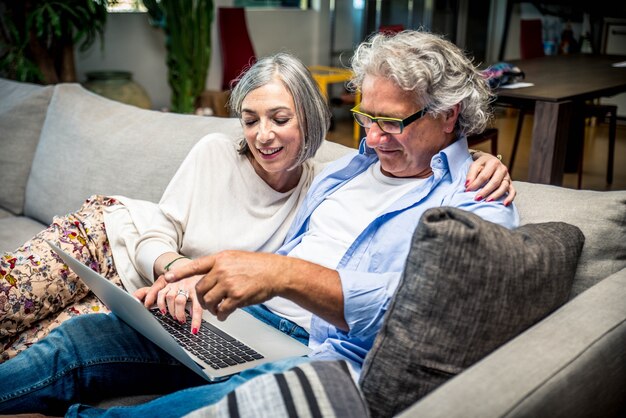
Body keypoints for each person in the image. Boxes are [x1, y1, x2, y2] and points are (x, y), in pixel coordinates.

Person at [0, 30, 519, 417]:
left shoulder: (474, 199)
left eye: (394, 122)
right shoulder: (342, 172)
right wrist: (194, 286)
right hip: (247, 321)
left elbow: (434, 311)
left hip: (318, 352)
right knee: (83, 340)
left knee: (246, 399)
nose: (376, 138)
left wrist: (282, 274)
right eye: (366, 118)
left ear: (449, 115)